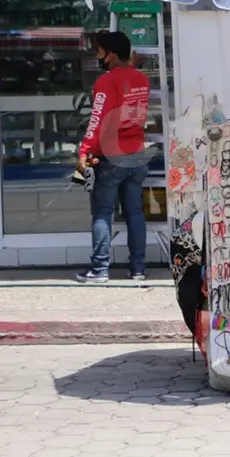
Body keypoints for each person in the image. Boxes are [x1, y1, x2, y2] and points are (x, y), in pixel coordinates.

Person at [75, 32, 151, 283]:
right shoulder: (141, 79)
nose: (97, 56)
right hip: (137, 154)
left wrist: (84, 150)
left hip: (110, 156)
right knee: (135, 213)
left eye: (99, 52)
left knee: (102, 213)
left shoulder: (106, 82)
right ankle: (138, 269)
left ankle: (99, 270)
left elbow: (96, 120)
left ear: (112, 55)